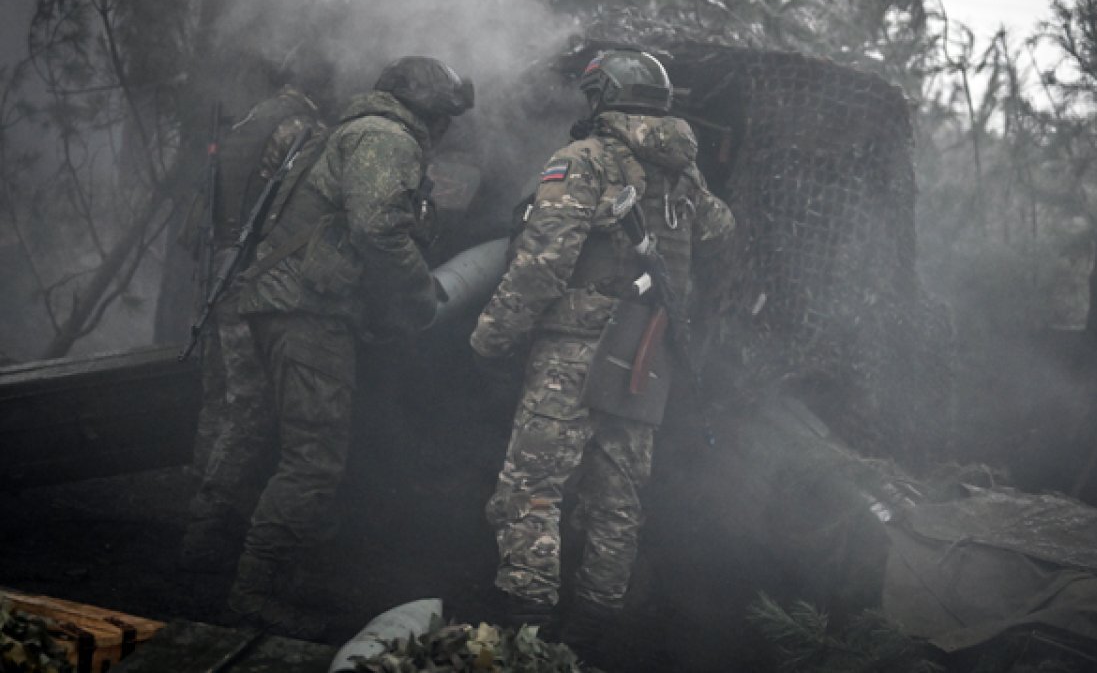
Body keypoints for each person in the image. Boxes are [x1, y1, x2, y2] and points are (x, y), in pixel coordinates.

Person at [469, 49, 735, 651]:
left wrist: (491, 337)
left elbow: (541, 267)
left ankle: (524, 636)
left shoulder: (584, 161)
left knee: (532, 487)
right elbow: (722, 231)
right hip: (646, 350)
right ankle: (588, 640)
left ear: (603, 98)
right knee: (618, 496)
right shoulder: (683, 175)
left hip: (576, 347)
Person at [213, 55, 473, 636]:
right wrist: (418, 301)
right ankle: (251, 596)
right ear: (428, 111)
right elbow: (379, 230)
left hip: (289, 305)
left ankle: (230, 568)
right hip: (307, 313)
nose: (446, 132)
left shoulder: (353, 131)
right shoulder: (386, 139)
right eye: (446, 119)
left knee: (293, 451)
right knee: (313, 463)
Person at [179, 82, 326, 571]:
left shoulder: (247, 121)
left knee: (218, 398)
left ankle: (198, 506)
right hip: (249, 271)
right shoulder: (301, 127)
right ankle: (208, 530)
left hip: (219, 266)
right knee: (249, 406)